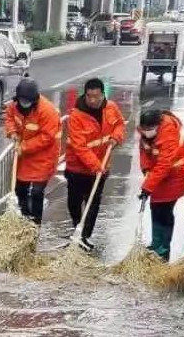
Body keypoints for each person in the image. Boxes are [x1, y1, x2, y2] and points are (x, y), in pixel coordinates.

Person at [65, 78, 126, 251]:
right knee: (74, 201)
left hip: (101, 166)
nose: (93, 100)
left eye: (96, 96)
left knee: (93, 202)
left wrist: (116, 137)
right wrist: (96, 166)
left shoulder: (111, 108)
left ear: (102, 94)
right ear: (85, 94)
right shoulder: (76, 115)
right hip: (77, 167)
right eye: (90, 96)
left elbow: (120, 124)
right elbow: (80, 146)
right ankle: (77, 226)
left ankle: (84, 235)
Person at [4, 78, 61, 225]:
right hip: (24, 157)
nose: (24, 104)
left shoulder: (47, 111)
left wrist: (24, 147)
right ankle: (25, 218)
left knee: (36, 192)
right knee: (20, 189)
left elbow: (47, 137)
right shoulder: (14, 106)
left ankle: (35, 224)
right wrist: (12, 132)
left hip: (44, 156)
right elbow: (9, 118)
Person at [137, 109, 184, 262]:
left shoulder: (168, 133)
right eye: (144, 129)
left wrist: (147, 186)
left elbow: (164, 164)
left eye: (150, 129)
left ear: (157, 125)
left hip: (174, 177)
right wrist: (146, 169)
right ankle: (156, 243)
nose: (147, 132)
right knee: (156, 209)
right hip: (157, 178)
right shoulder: (145, 132)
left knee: (164, 211)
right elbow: (144, 152)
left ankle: (163, 249)